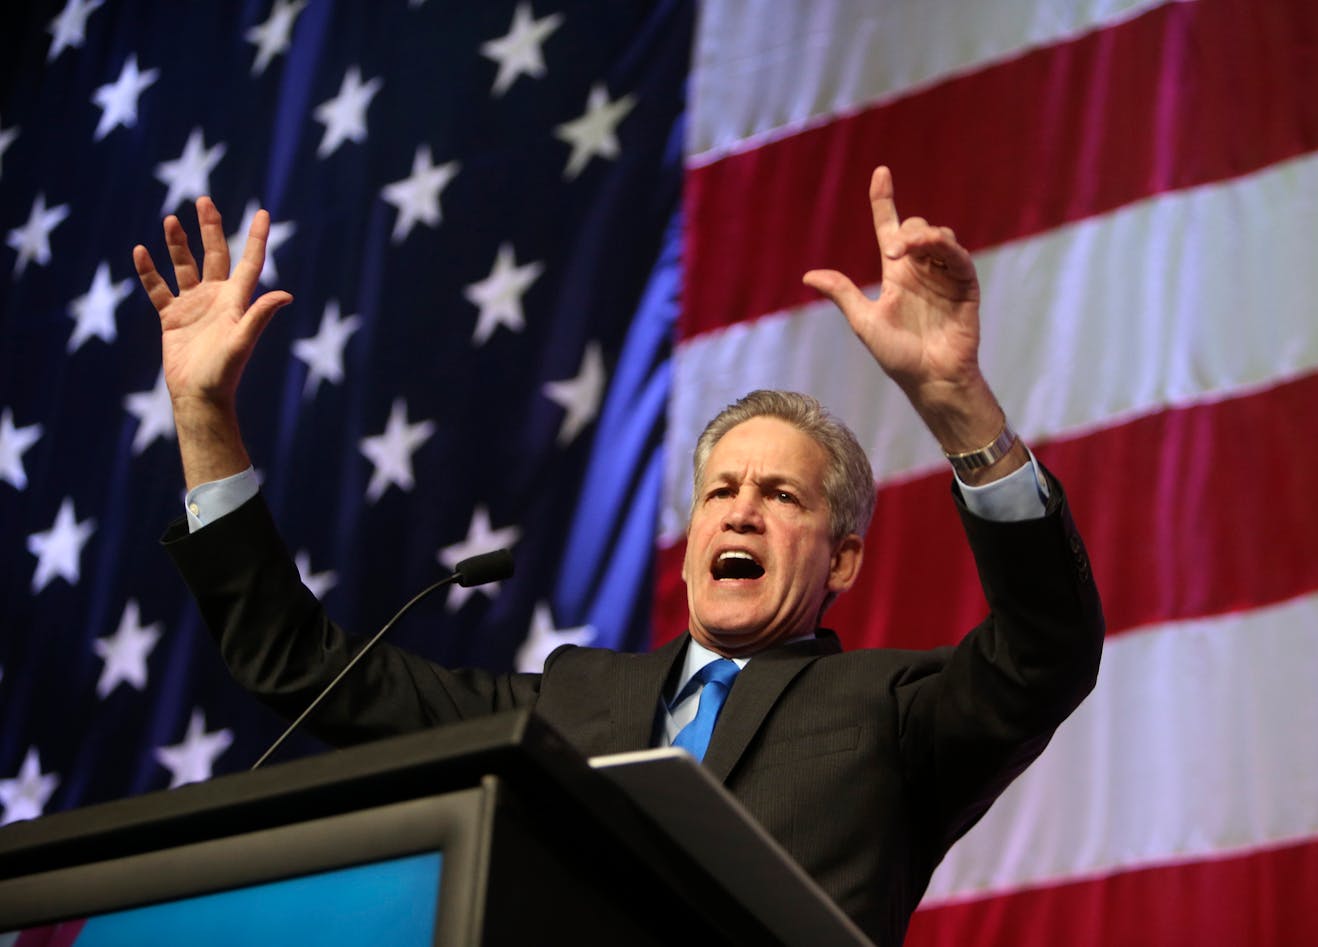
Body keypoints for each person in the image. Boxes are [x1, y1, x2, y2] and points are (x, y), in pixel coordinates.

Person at [134, 167, 1104, 946]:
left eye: (780, 496)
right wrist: (203, 416)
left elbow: (1043, 652)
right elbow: (303, 668)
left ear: (842, 559)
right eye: (721, 491)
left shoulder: (894, 713)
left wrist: (954, 405)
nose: (740, 513)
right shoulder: (567, 700)